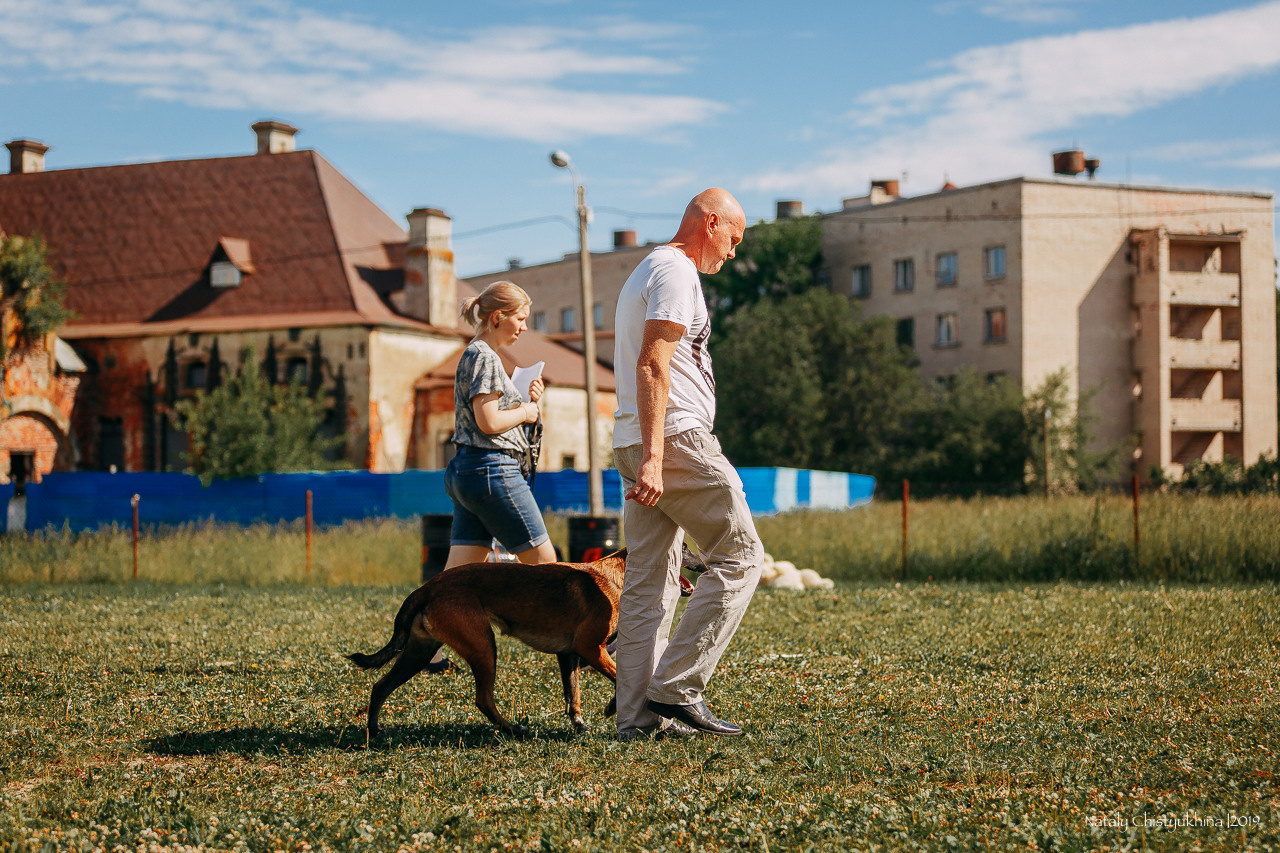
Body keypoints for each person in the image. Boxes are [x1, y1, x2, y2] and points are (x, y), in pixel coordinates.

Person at [611, 188, 765, 740]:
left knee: (649, 582)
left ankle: (637, 720)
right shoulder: (677, 272)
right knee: (741, 556)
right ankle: (677, 688)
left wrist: (646, 455)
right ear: (712, 223)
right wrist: (656, 459)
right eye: (733, 239)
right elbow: (653, 364)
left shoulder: (649, 268)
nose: (732, 252)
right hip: (673, 440)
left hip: (635, 439)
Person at [443, 280, 557, 570]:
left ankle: (433, 604)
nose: (524, 327)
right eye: (520, 318)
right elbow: (489, 421)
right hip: (492, 470)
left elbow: (489, 416)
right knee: (545, 563)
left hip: (470, 470)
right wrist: (527, 412)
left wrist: (525, 401)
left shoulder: (476, 353)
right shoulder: (485, 357)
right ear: (497, 317)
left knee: (459, 575)